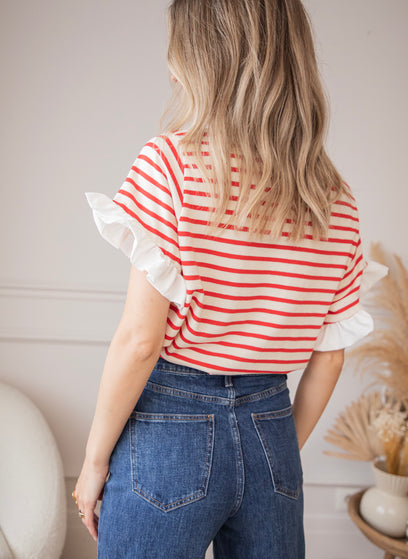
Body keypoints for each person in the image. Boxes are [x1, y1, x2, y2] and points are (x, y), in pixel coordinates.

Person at [72, 1, 387, 557]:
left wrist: (94, 464)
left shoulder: (168, 164)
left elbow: (141, 341)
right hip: (272, 428)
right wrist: (276, 452)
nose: (169, 67)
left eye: (177, 50)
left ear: (200, 61)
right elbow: (330, 358)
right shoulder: (334, 198)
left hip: (173, 427)